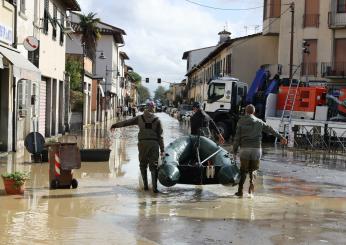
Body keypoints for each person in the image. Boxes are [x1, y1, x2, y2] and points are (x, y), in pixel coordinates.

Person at [232, 104, 287, 197]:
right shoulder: (259, 122)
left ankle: (240, 191)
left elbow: (237, 138)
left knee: (243, 171)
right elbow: (270, 129)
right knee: (253, 170)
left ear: (245, 111)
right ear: (254, 112)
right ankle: (251, 186)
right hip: (257, 149)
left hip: (245, 149)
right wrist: (281, 137)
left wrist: (234, 150)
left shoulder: (241, 121)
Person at [110, 101, 164, 193]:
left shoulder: (140, 118)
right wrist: (162, 150)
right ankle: (155, 189)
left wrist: (115, 125)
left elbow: (127, 122)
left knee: (143, 165)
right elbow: (161, 136)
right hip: (154, 144)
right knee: (153, 166)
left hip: (142, 144)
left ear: (146, 108)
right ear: (153, 108)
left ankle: (145, 187)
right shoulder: (158, 120)